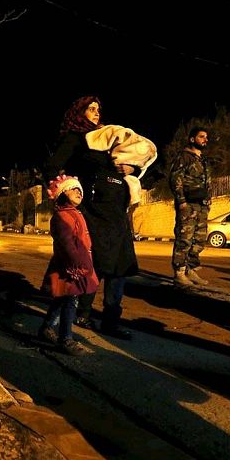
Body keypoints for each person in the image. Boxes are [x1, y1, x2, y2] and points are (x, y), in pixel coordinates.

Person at [44, 96, 137, 337]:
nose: (96, 112)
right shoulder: (75, 138)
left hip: (117, 211)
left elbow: (128, 160)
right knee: (93, 263)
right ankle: (82, 314)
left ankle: (111, 320)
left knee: (119, 265)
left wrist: (131, 168)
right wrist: (68, 194)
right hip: (93, 211)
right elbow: (53, 169)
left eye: (98, 109)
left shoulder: (107, 137)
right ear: (79, 112)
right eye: (91, 109)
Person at [38, 175, 98, 355]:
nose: (79, 192)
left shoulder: (75, 213)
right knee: (70, 302)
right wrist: (77, 265)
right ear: (62, 194)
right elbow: (67, 244)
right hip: (69, 267)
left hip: (75, 265)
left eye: (80, 189)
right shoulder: (62, 217)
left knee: (60, 299)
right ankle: (66, 339)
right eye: (73, 189)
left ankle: (46, 328)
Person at [168, 126, 211, 287]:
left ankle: (190, 270)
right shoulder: (184, 157)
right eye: (201, 136)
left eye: (206, 137)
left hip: (202, 205)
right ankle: (179, 272)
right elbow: (175, 179)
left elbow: (207, 183)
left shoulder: (203, 160)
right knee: (184, 239)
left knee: (199, 240)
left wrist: (208, 201)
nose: (205, 139)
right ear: (192, 139)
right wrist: (182, 202)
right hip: (188, 204)